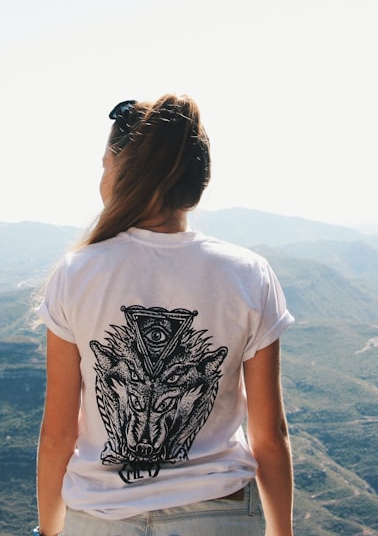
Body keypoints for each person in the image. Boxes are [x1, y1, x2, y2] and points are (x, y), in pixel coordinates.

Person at [34, 95, 294, 536]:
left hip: (100, 518)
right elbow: (269, 434)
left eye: (105, 165)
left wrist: (48, 530)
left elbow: (60, 433)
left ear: (124, 174)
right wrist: (283, 532)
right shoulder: (248, 273)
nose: (102, 177)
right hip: (218, 513)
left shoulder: (78, 272)